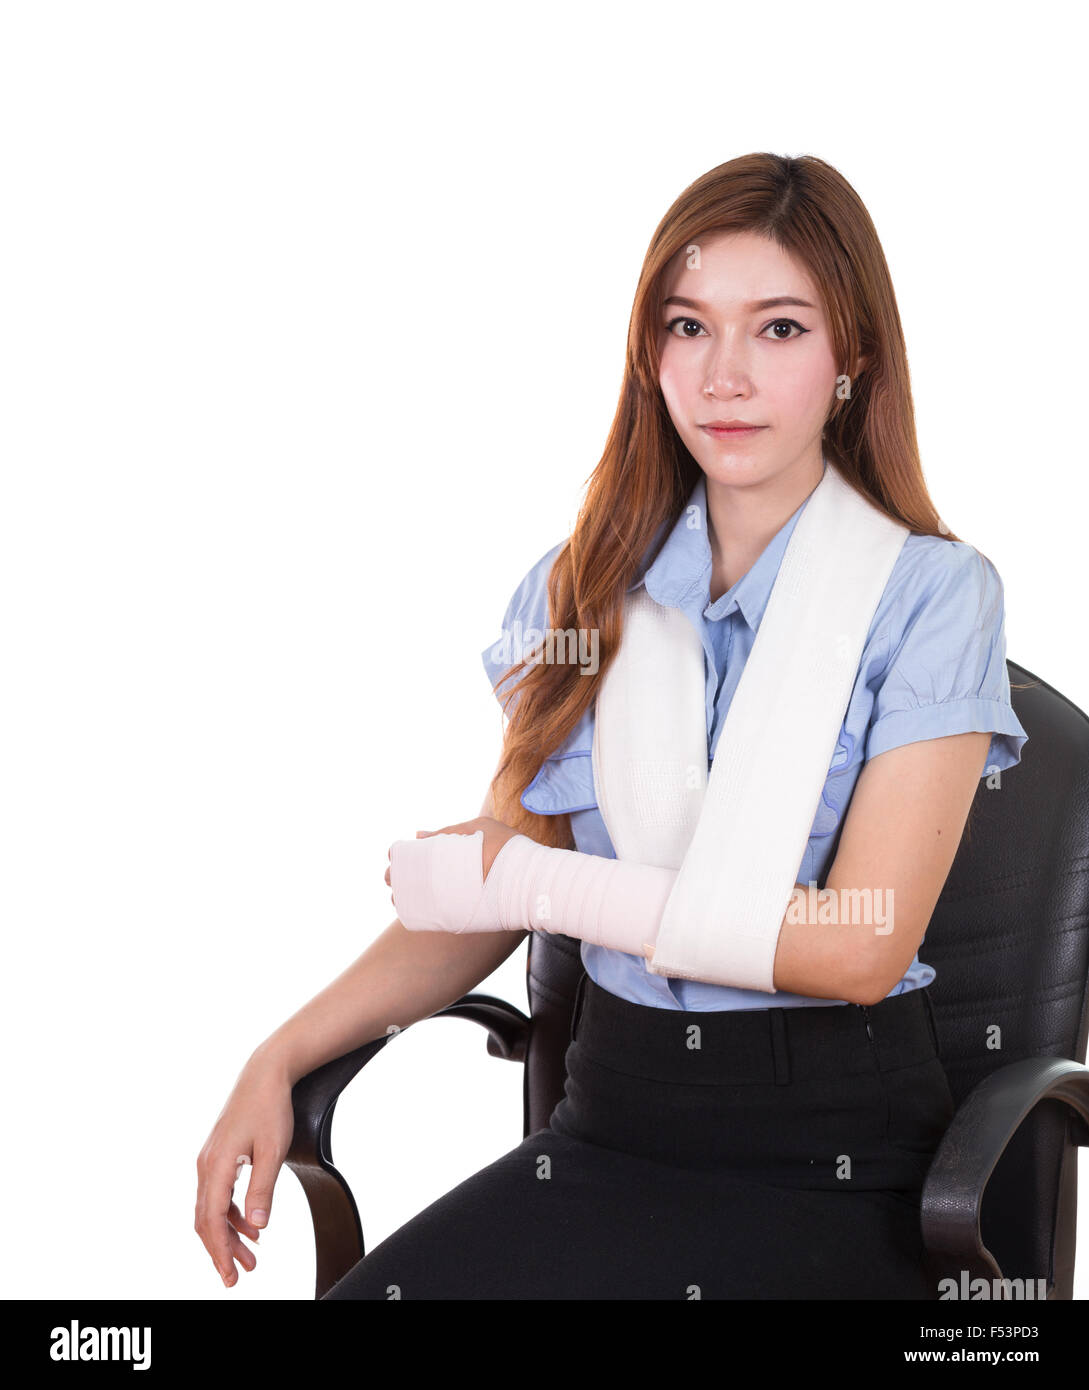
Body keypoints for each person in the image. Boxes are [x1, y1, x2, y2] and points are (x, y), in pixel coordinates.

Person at [194, 152, 1028, 1299]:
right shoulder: (574, 596)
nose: (725, 376)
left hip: (838, 1164)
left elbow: (857, 947)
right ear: (651, 353)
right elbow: (492, 887)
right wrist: (279, 1053)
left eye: (779, 330)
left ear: (852, 359)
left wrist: (544, 889)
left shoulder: (935, 597)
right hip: (613, 1130)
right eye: (690, 327)